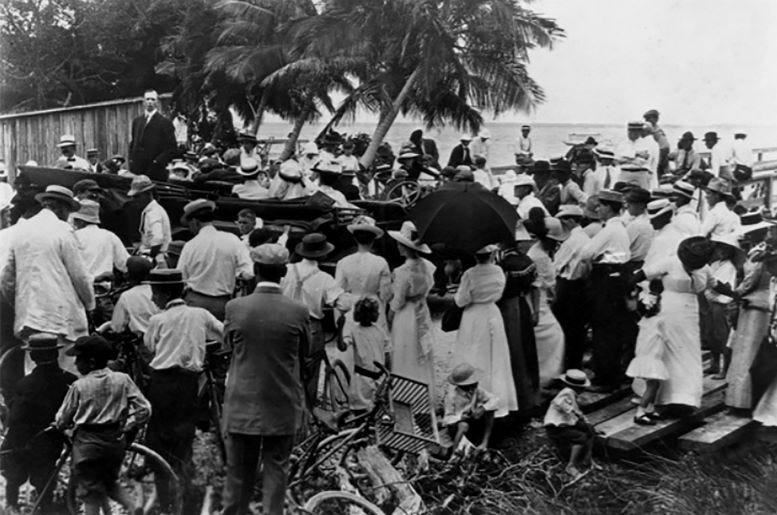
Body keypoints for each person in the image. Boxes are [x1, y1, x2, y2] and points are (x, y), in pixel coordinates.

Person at [221, 243, 310, 515]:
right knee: (277, 470)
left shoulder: (235, 307)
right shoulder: (298, 311)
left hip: (242, 401)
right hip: (281, 401)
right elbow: (304, 354)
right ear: (283, 272)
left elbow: (227, 348)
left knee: (238, 473)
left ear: (256, 271)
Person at [143, 269, 223, 509]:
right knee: (183, 433)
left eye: (154, 293)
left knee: (158, 434)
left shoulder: (158, 319)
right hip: (188, 381)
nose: (153, 299)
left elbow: (150, 346)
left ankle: (163, 495)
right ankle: (185, 492)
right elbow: (223, 332)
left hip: (161, 382)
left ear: (163, 293)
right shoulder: (200, 314)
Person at [54, 334, 151, 515]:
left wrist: (61, 426)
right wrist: (129, 425)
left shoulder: (79, 386)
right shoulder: (123, 379)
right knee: (109, 482)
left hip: (88, 443)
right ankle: (133, 506)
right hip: (114, 441)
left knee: (89, 492)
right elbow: (144, 409)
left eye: (78, 359)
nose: (75, 364)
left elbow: (63, 418)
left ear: (90, 362)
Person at [0, 185, 94, 350]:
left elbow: (6, 277)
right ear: (60, 208)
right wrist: (90, 304)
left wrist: (20, 301)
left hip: (29, 317)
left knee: (34, 361)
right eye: (68, 212)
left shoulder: (20, 230)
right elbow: (80, 276)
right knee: (66, 366)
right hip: (61, 318)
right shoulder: (63, 230)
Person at [629, 237, 714, 412]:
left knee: (688, 351)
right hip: (668, 310)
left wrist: (735, 294)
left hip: (690, 314)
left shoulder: (704, 269)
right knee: (665, 351)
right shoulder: (670, 262)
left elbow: (715, 284)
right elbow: (642, 274)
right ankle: (660, 397)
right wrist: (631, 293)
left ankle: (685, 397)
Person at [0, 333, 77, 513]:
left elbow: (16, 417)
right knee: (45, 476)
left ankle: (12, 505)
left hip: (24, 439)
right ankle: (45, 507)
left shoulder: (25, 384)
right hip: (52, 439)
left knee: (14, 474)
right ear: (56, 354)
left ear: (33, 356)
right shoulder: (68, 381)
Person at [452, 244, 518, 417]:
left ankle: (470, 398)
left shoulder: (469, 274)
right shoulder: (498, 271)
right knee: (495, 355)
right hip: (491, 312)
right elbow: (499, 294)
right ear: (492, 254)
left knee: (473, 353)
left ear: (475, 256)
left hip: (473, 315)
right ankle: (495, 398)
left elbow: (461, 300)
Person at [281, 233, 349, 400]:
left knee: (285, 366)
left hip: (284, 322)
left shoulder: (287, 270)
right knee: (310, 371)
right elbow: (344, 304)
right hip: (310, 326)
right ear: (323, 254)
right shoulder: (324, 278)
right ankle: (308, 411)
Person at [580, 190, 631, 391]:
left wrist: (595, 259)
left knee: (603, 329)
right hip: (617, 279)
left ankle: (605, 378)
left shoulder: (610, 230)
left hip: (606, 281)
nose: (598, 209)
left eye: (600, 206)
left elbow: (586, 254)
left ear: (609, 207)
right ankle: (612, 373)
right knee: (612, 329)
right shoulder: (620, 228)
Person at [726, 215, 774, 410]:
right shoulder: (763, 251)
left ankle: (742, 399)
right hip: (764, 301)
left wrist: (733, 294)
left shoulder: (758, 253)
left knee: (747, 350)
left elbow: (750, 281)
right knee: (754, 349)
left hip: (753, 303)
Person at [178, 199, 254, 320]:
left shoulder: (190, 245)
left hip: (194, 303)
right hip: (222, 303)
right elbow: (249, 272)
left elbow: (181, 277)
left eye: (190, 224)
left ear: (195, 221)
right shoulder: (232, 240)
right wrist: (236, 274)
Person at [388, 222, 437, 401]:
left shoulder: (402, 271)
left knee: (405, 351)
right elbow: (429, 286)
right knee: (420, 351)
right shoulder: (427, 266)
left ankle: (406, 394)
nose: (398, 246)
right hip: (421, 308)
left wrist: (390, 316)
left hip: (406, 314)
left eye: (400, 244)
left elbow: (398, 300)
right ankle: (424, 393)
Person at [525, 214, 568, 386]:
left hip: (542, 297)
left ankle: (546, 374)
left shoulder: (539, 251)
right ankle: (546, 376)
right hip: (539, 298)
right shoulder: (539, 256)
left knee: (551, 336)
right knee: (554, 335)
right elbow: (545, 282)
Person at [335, 215, 391, 332]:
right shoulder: (381, 262)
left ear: (355, 239)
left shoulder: (343, 262)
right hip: (374, 306)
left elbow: (339, 292)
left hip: (352, 306)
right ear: (373, 240)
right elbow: (385, 294)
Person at [553, 205, 591, 370]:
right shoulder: (585, 238)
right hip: (580, 285)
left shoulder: (572, 241)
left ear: (569, 221)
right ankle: (573, 364)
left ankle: (566, 364)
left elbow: (556, 265)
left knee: (565, 327)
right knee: (577, 328)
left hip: (568, 286)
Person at [338, 297, 390, 412]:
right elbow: (342, 347)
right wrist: (340, 329)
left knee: (378, 410)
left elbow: (387, 352)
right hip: (362, 380)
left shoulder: (379, 330)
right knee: (360, 411)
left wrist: (388, 375)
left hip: (379, 378)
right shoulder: (354, 331)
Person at [544, 369, 597, 479]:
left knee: (590, 429)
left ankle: (587, 459)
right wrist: (575, 412)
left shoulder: (571, 393)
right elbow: (561, 404)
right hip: (556, 425)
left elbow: (575, 412)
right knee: (580, 437)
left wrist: (581, 418)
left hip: (567, 422)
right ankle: (571, 465)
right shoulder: (566, 392)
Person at [702, 233, 739, 378]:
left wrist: (710, 283)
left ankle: (725, 369)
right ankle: (714, 364)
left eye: (725, 249)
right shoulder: (714, 264)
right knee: (711, 335)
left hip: (721, 304)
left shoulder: (729, 267)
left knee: (722, 335)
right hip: (710, 301)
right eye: (720, 248)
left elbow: (721, 285)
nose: (721, 251)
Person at [441, 363, 499, 455]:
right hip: (457, 427)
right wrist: (460, 417)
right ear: (462, 385)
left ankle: (484, 443)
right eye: (472, 382)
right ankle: (453, 455)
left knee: (490, 410)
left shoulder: (476, 390)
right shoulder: (451, 397)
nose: (476, 383)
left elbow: (495, 399)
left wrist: (483, 408)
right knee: (463, 425)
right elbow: (446, 420)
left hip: (473, 422)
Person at [72, 200, 130, 278]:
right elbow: (124, 263)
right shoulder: (109, 236)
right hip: (104, 286)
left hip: (80, 285)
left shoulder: (73, 237)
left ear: (80, 221)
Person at [129, 89, 177, 181]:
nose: (150, 102)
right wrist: (131, 159)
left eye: (153, 99)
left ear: (157, 102)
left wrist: (157, 161)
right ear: (143, 102)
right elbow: (134, 142)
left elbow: (172, 148)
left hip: (155, 171)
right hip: (137, 169)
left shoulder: (164, 122)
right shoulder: (137, 121)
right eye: (147, 99)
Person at [127, 175, 171, 264]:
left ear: (148, 194)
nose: (134, 200)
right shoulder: (151, 210)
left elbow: (157, 241)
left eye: (137, 196)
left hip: (157, 259)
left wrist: (149, 259)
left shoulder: (154, 213)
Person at [110, 256, 159, 336]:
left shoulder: (126, 296)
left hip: (141, 341)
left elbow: (117, 327)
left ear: (129, 275)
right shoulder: (158, 291)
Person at [623, 187, 654, 267]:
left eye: (630, 202)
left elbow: (621, 246)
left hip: (633, 264)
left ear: (640, 205)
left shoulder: (637, 225)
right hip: (647, 262)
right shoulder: (650, 219)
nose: (627, 206)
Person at [616, 122, 653, 189]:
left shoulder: (646, 144)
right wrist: (636, 154)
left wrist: (627, 158)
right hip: (625, 172)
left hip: (641, 173)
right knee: (619, 192)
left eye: (635, 131)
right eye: (630, 131)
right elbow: (618, 160)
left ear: (639, 132)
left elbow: (644, 160)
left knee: (645, 194)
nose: (631, 133)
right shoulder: (622, 144)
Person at [642, 109, 670, 177]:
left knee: (656, 168)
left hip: (661, 150)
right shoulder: (654, 127)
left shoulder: (654, 127)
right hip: (662, 149)